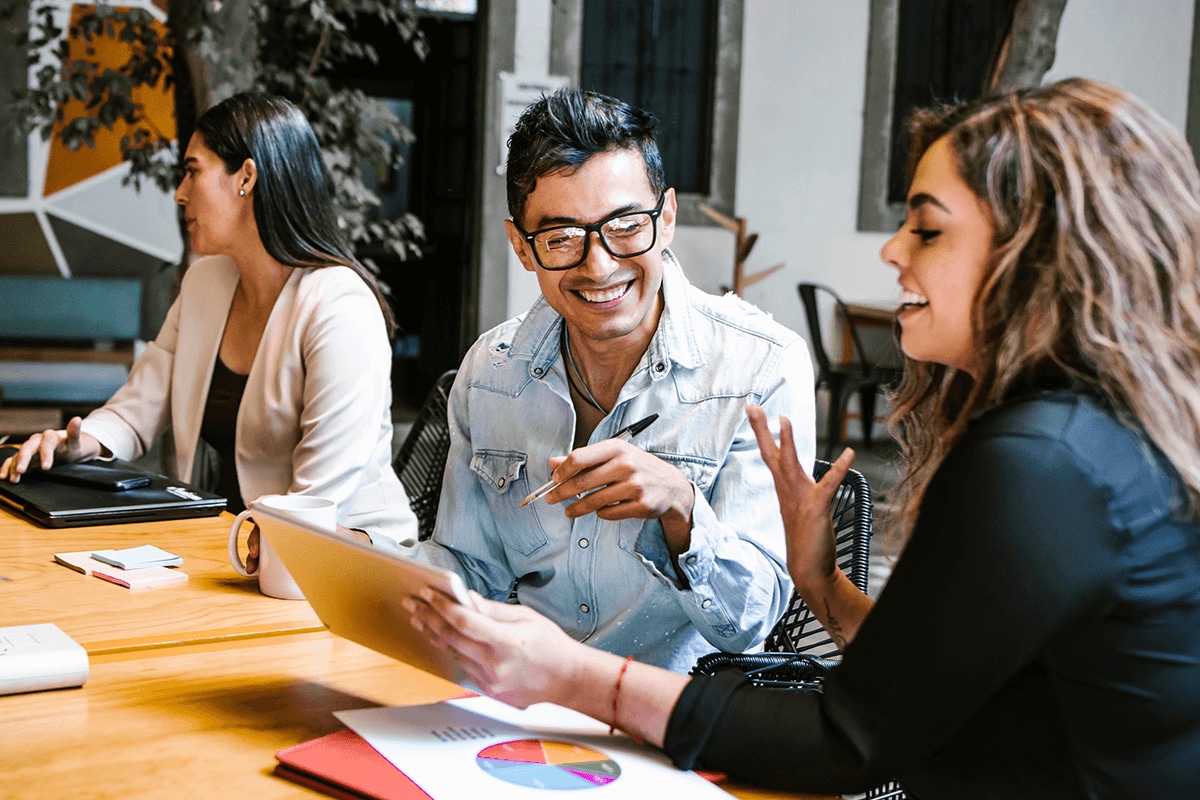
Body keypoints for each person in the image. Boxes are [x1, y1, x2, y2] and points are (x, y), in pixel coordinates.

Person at [407, 78, 1200, 797]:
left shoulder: (1040, 463)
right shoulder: (1081, 438)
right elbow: (924, 675)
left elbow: (847, 737)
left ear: (1031, 253)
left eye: (925, 230)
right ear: (524, 244)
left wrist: (578, 679)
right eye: (563, 236)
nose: (891, 250)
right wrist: (821, 585)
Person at [405, 87, 816, 673]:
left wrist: (681, 509)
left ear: (666, 216)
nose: (599, 265)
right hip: (522, 701)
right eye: (562, 237)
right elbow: (472, 573)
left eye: (625, 225)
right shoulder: (491, 373)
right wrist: (360, 563)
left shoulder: (760, 367)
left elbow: (750, 622)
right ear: (522, 247)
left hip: (675, 718)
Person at [0, 92, 418, 550]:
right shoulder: (205, 282)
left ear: (246, 177)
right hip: (236, 539)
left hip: (345, 555)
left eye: (193, 170)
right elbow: (140, 406)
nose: (180, 193)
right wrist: (77, 444)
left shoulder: (339, 308)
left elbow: (317, 506)